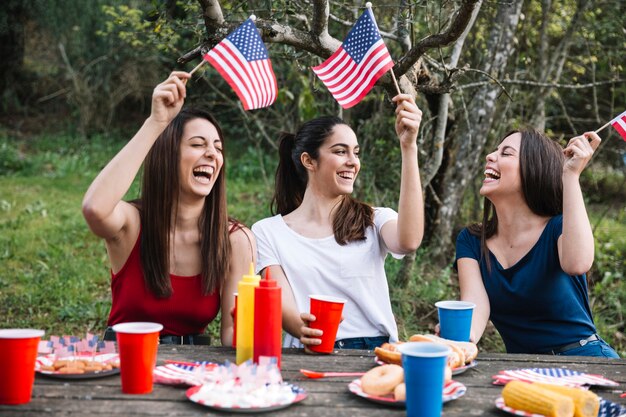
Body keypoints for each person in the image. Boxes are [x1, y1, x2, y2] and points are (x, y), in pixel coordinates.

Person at [82, 72, 255, 346]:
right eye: (198, 144)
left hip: (193, 371)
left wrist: (258, 324)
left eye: (218, 148)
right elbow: (95, 209)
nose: (212, 153)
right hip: (124, 366)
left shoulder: (236, 240)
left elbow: (234, 335)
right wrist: (156, 123)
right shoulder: (132, 223)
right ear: (167, 155)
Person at [252, 94, 424, 351]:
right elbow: (280, 301)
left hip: (375, 351)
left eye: (355, 153)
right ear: (309, 161)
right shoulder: (268, 231)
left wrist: (409, 148)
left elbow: (409, 241)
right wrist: (302, 329)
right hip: (308, 349)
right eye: (340, 151)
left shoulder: (374, 219)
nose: (353, 162)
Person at [455, 128, 619, 357]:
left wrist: (570, 175)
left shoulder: (559, 228)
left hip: (587, 362)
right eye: (495, 150)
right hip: (524, 371)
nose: (490, 156)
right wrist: (458, 340)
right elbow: (475, 306)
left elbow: (578, 263)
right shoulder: (471, 240)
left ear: (533, 169)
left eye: (506, 153)